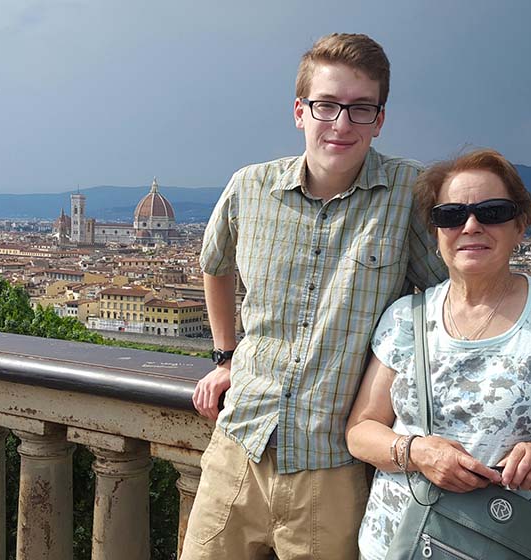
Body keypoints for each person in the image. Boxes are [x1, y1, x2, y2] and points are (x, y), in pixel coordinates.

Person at [185, 33, 446, 559]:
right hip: (238, 445)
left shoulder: (409, 194)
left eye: (360, 109)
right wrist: (224, 355)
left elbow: (465, 297)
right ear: (300, 112)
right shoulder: (249, 187)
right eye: (327, 106)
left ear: (380, 119)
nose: (342, 124)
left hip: (333, 467)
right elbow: (215, 267)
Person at [345, 148, 531, 560]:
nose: (470, 225)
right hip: (398, 542)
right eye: (450, 215)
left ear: (520, 225)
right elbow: (362, 429)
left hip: (512, 542)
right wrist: (419, 453)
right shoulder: (405, 319)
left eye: (492, 211)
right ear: (434, 233)